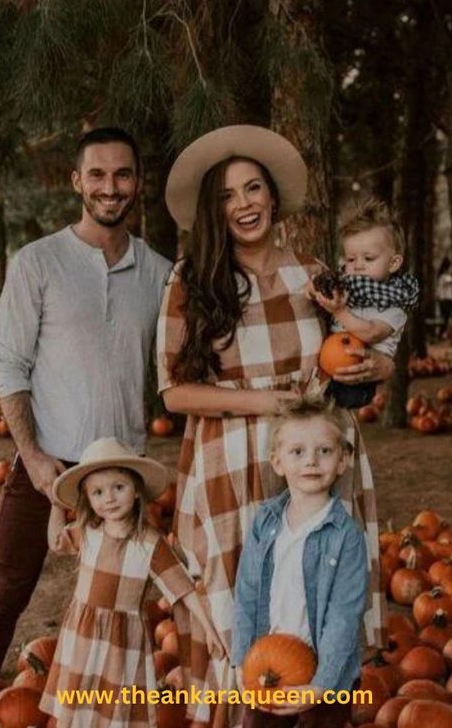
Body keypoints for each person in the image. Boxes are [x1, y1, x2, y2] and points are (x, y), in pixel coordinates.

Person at [157, 125, 392, 728]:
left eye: (254, 188)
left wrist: (377, 363)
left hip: (314, 454)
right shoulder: (192, 280)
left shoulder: (314, 275)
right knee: (244, 605)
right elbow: (174, 391)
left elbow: (361, 346)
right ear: (214, 211)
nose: (244, 203)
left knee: (319, 595)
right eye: (228, 195)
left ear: (272, 196)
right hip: (230, 466)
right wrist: (265, 405)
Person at [0, 127, 171, 716]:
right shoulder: (39, 262)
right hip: (49, 462)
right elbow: (9, 367)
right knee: (7, 593)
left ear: (138, 183)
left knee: (125, 602)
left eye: (122, 175)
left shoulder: (162, 274)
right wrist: (32, 456)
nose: (110, 187)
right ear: (76, 182)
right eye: (97, 174)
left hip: (123, 476)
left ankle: (113, 708)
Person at [40, 437, 223, 727]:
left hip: (122, 640)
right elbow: (55, 542)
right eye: (98, 492)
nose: (109, 498)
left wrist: (209, 628)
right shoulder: (87, 531)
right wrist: (54, 504)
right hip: (83, 634)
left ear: (136, 491)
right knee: (75, 706)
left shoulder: (150, 544)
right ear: (87, 498)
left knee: (116, 712)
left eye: (118, 487)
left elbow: (183, 588)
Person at [232, 398, 368, 728]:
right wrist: (240, 663)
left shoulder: (346, 535)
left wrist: (321, 686)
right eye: (297, 452)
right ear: (277, 462)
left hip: (326, 672)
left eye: (324, 451)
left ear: (342, 460)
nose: (311, 461)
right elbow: (247, 595)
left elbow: (343, 616)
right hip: (268, 664)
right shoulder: (264, 523)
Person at [309, 197, 419, 408]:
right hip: (330, 360)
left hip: (360, 373)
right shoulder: (349, 286)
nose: (358, 266)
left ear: (394, 263)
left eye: (368, 259)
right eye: (351, 259)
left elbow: (371, 333)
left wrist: (340, 312)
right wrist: (314, 288)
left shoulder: (394, 304)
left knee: (334, 406)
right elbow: (317, 286)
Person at [437, 257, 452, 340]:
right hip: (445, 301)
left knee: (446, 318)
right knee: (445, 319)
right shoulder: (443, 277)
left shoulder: (445, 277)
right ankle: (441, 335)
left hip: (447, 300)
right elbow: (448, 280)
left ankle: (443, 334)